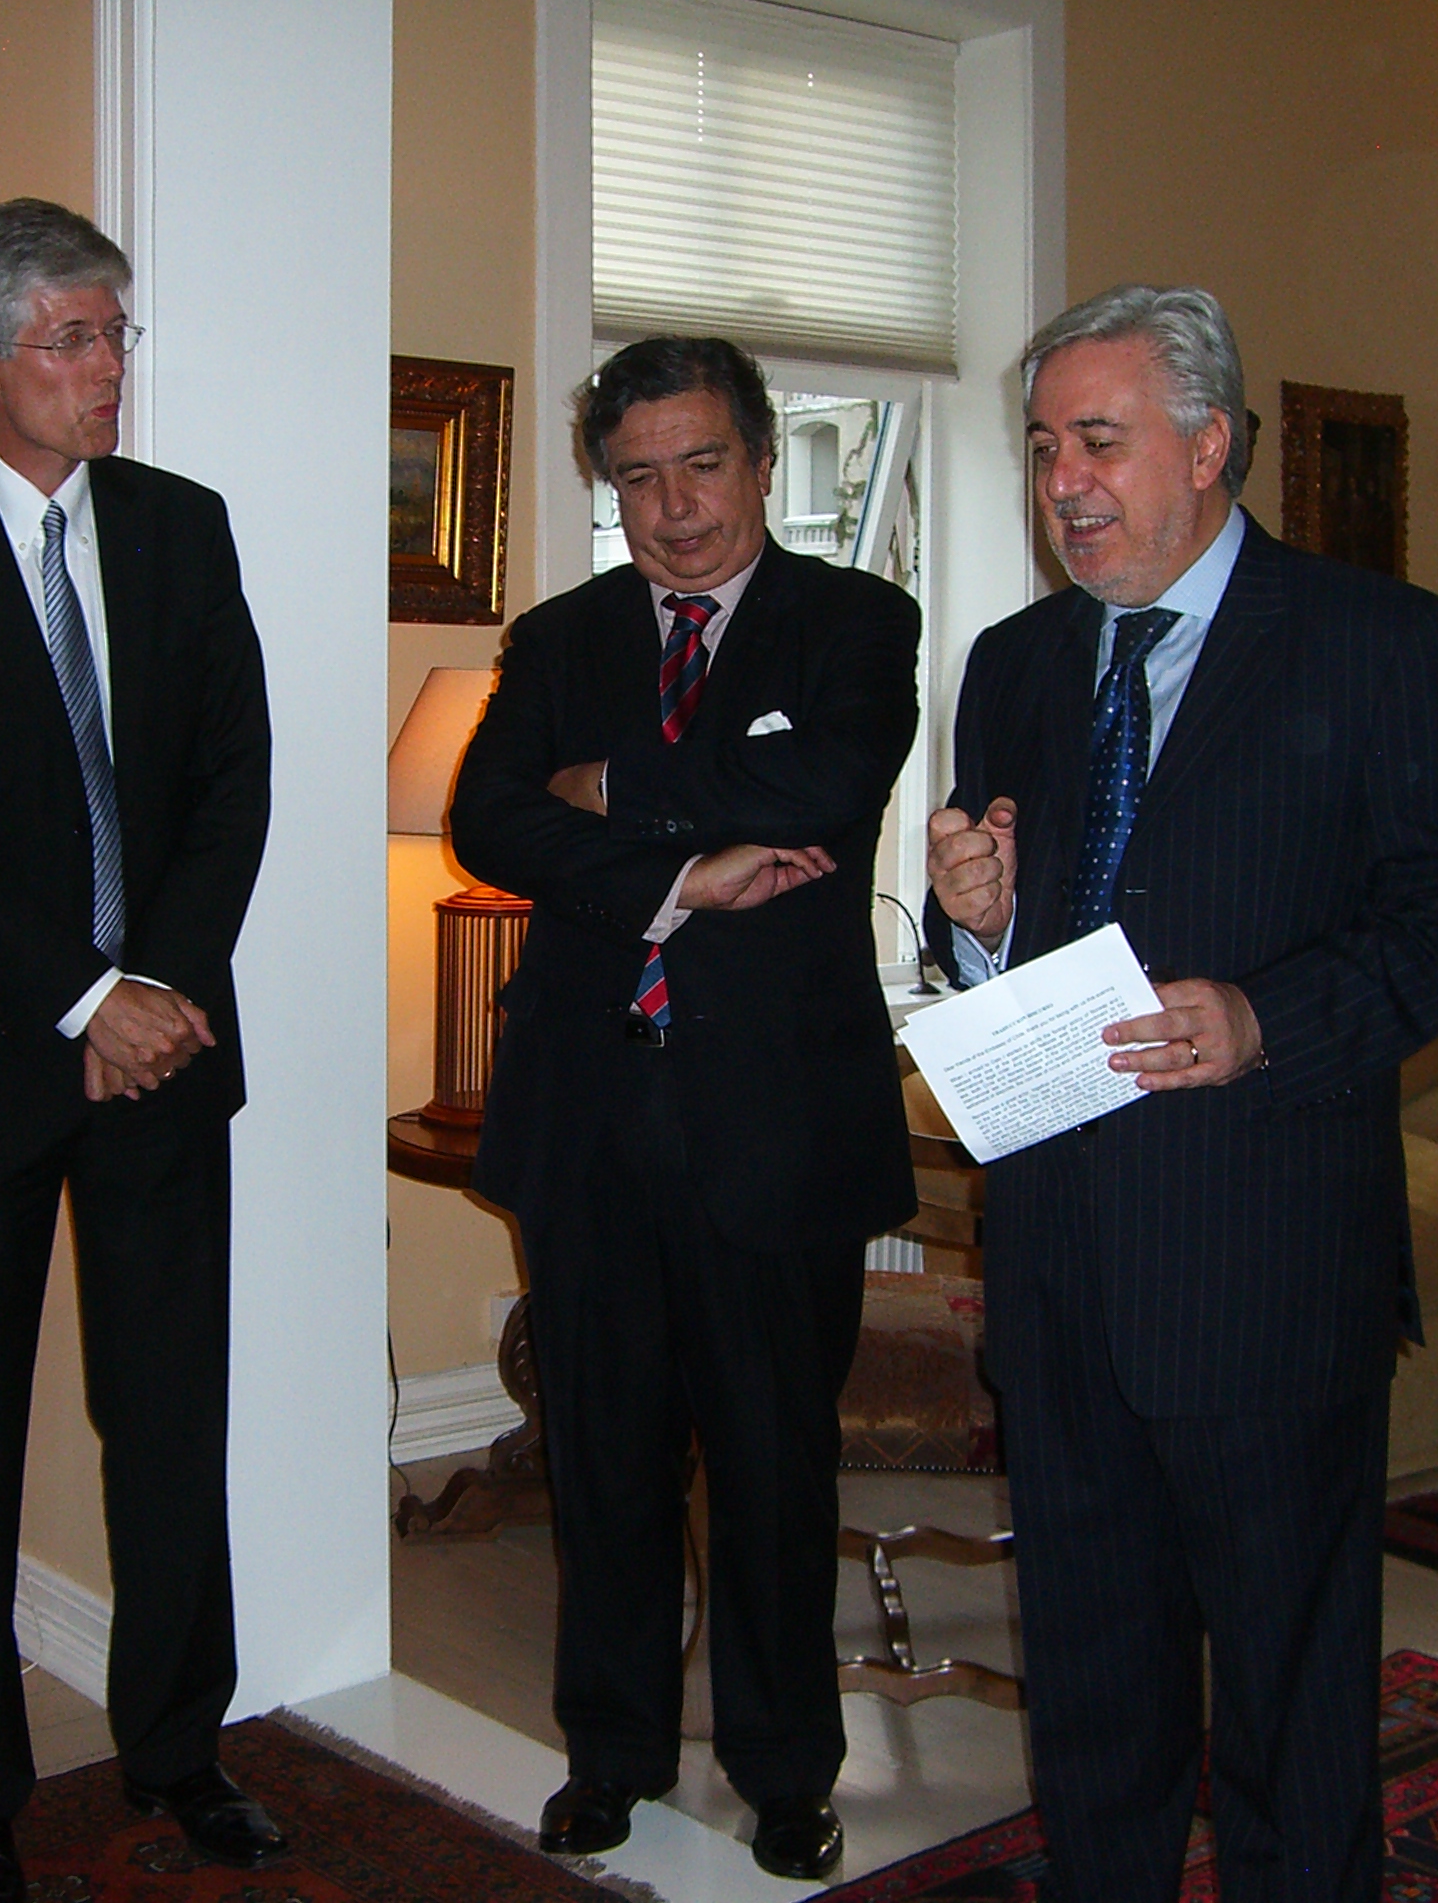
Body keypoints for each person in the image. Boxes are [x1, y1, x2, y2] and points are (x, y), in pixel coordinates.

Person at [922, 285, 1438, 1901]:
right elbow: (1003, 935)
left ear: (1208, 446)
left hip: (1267, 1268)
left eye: (1097, 442)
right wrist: (977, 922)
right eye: (1043, 446)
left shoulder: (1384, 645)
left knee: (1287, 1703)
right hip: (1060, 1271)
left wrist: (1265, 1018)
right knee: (1094, 1693)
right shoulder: (1013, 664)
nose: (1062, 483)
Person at [0, 198, 279, 1903]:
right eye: (73, 340)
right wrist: (84, 1000)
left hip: (164, 1051)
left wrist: (150, 992)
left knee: (168, 1421)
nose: (107, 370)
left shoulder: (180, 527)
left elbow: (232, 778)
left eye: (115, 335)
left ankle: (180, 1749)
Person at [449, 335, 919, 1883]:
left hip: (779, 1119)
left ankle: (787, 1773)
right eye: (638, 477)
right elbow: (486, 817)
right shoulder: (561, 636)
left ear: (764, 462)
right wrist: (679, 878)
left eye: (702, 465)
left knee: (776, 1469)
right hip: (588, 1111)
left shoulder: (857, 622)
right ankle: (615, 1755)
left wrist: (609, 789)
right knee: (603, 1461)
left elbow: (826, 790)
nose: (674, 509)